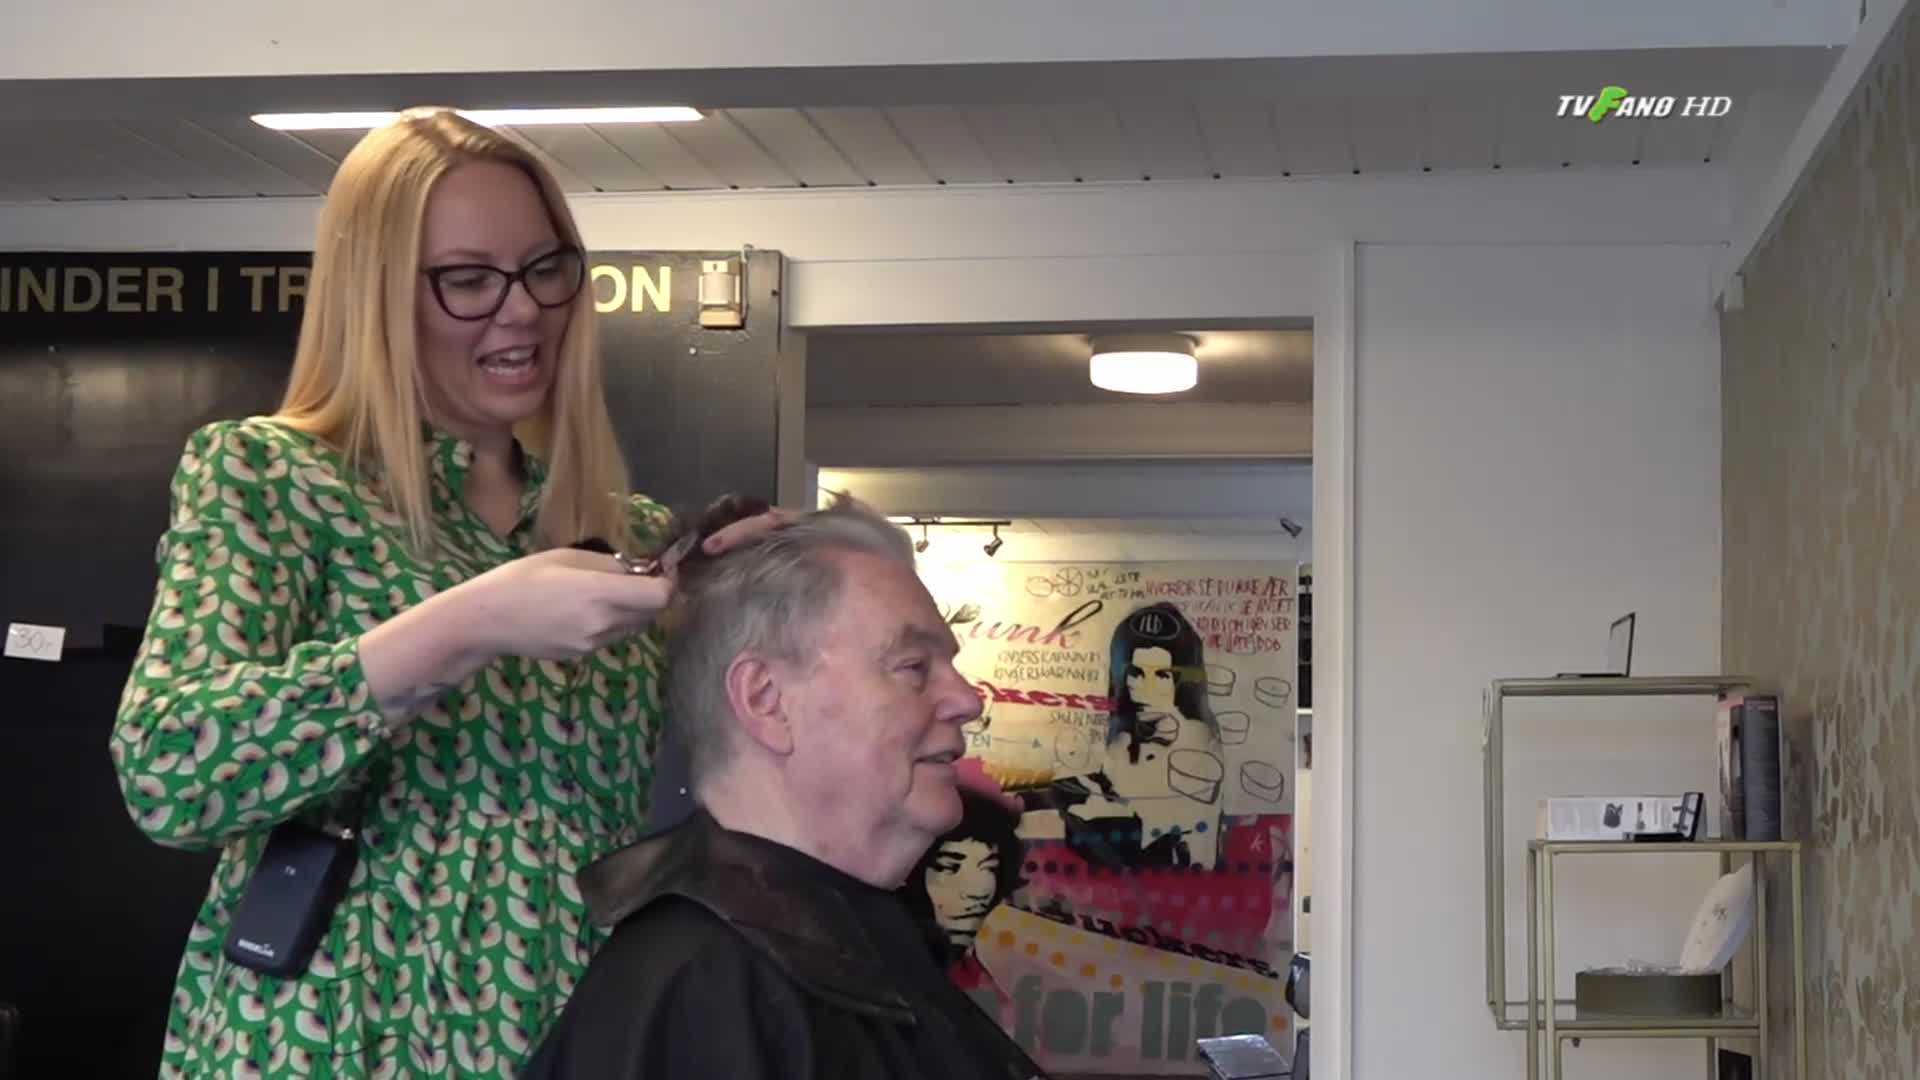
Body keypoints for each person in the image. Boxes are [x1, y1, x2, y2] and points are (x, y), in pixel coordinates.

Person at [106, 107, 791, 1078]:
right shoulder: (273, 478)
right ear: (377, 296)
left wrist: (760, 592)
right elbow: (170, 771)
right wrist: (471, 624)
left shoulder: (623, 536)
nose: (522, 309)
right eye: (468, 280)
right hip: (332, 1045)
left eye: (544, 267)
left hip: (566, 1037)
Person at [519, 497, 1049, 1080]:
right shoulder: (705, 993)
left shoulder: (816, 954)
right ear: (766, 701)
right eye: (913, 667)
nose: (967, 700)